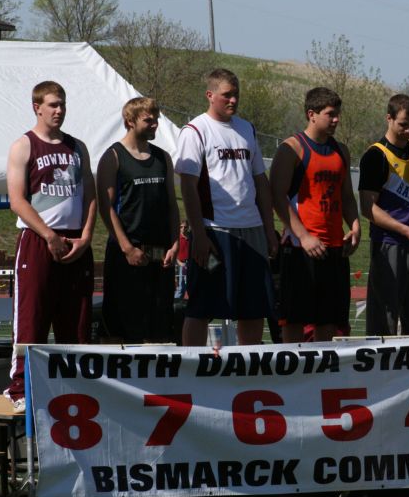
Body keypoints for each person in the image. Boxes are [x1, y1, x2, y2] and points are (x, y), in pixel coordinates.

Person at [5, 81, 97, 412]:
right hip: (38, 240)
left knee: (76, 321)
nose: (59, 110)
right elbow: (17, 201)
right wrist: (48, 235)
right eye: (53, 105)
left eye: (63, 104)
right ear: (37, 108)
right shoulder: (23, 146)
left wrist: (86, 236)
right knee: (32, 315)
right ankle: (20, 389)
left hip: (74, 241)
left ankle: (75, 388)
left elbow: (90, 194)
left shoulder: (78, 147)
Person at [175, 68, 278, 346]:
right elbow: (188, 186)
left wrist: (269, 230)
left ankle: (248, 368)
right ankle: (192, 367)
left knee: (253, 307)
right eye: (226, 95)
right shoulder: (195, 130)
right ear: (210, 95)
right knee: (202, 305)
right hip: (215, 230)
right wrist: (199, 233)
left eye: (236, 95)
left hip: (251, 229)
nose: (233, 100)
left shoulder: (247, 129)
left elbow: (260, 182)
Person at [270, 87, 361, 343]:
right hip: (300, 249)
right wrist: (304, 236)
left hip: (334, 248)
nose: (336, 120)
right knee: (294, 319)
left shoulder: (341, 150)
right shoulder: (292, 149)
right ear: (312, 114)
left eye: (338, 114)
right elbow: (277, 196)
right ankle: (293, 374)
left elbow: (346, 197)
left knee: (328, 320)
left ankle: (320, 376)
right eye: (330, 114)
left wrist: (355, 226)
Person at [96, 97, 180, 343]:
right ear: (130, 121)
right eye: (148, 120)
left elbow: (172, 205)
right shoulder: (113, 157)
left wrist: (174, 243)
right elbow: (106, 207)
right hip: (126, 256)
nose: (155, 124)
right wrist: (127, 248)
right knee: (119, 326)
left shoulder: (162, 158)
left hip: (159, 257)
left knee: (159, 326)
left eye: (156, 119)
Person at [358, 94, 409, 336]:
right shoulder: (376, 155)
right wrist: (405, 230)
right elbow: (367, 207)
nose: (408, 130)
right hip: (389, 245)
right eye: (403, 124)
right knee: (384, 320)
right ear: (389, 119)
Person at [175, 221, 190, 299]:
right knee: (181, 286)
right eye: (181, 227)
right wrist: (179, 262)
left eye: (185, 227)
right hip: (181, 264)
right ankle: (176, 302)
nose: (183, 229)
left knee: (190, 284)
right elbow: (175, 252)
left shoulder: (190, 238)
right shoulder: (177, 238)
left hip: (190, 264)